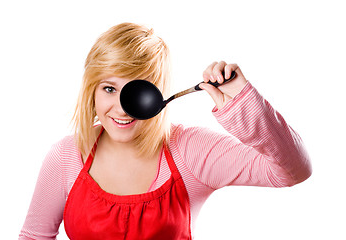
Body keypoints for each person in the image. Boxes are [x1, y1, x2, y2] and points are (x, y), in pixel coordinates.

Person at [19, 22, 312, 240]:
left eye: (136, 91)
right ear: (91, 92)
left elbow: (292, 171)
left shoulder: (189, 150)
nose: (122, 109)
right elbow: (34, 237)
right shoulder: (67, 155)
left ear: (159, 94)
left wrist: (244, 102)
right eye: (110, 88)